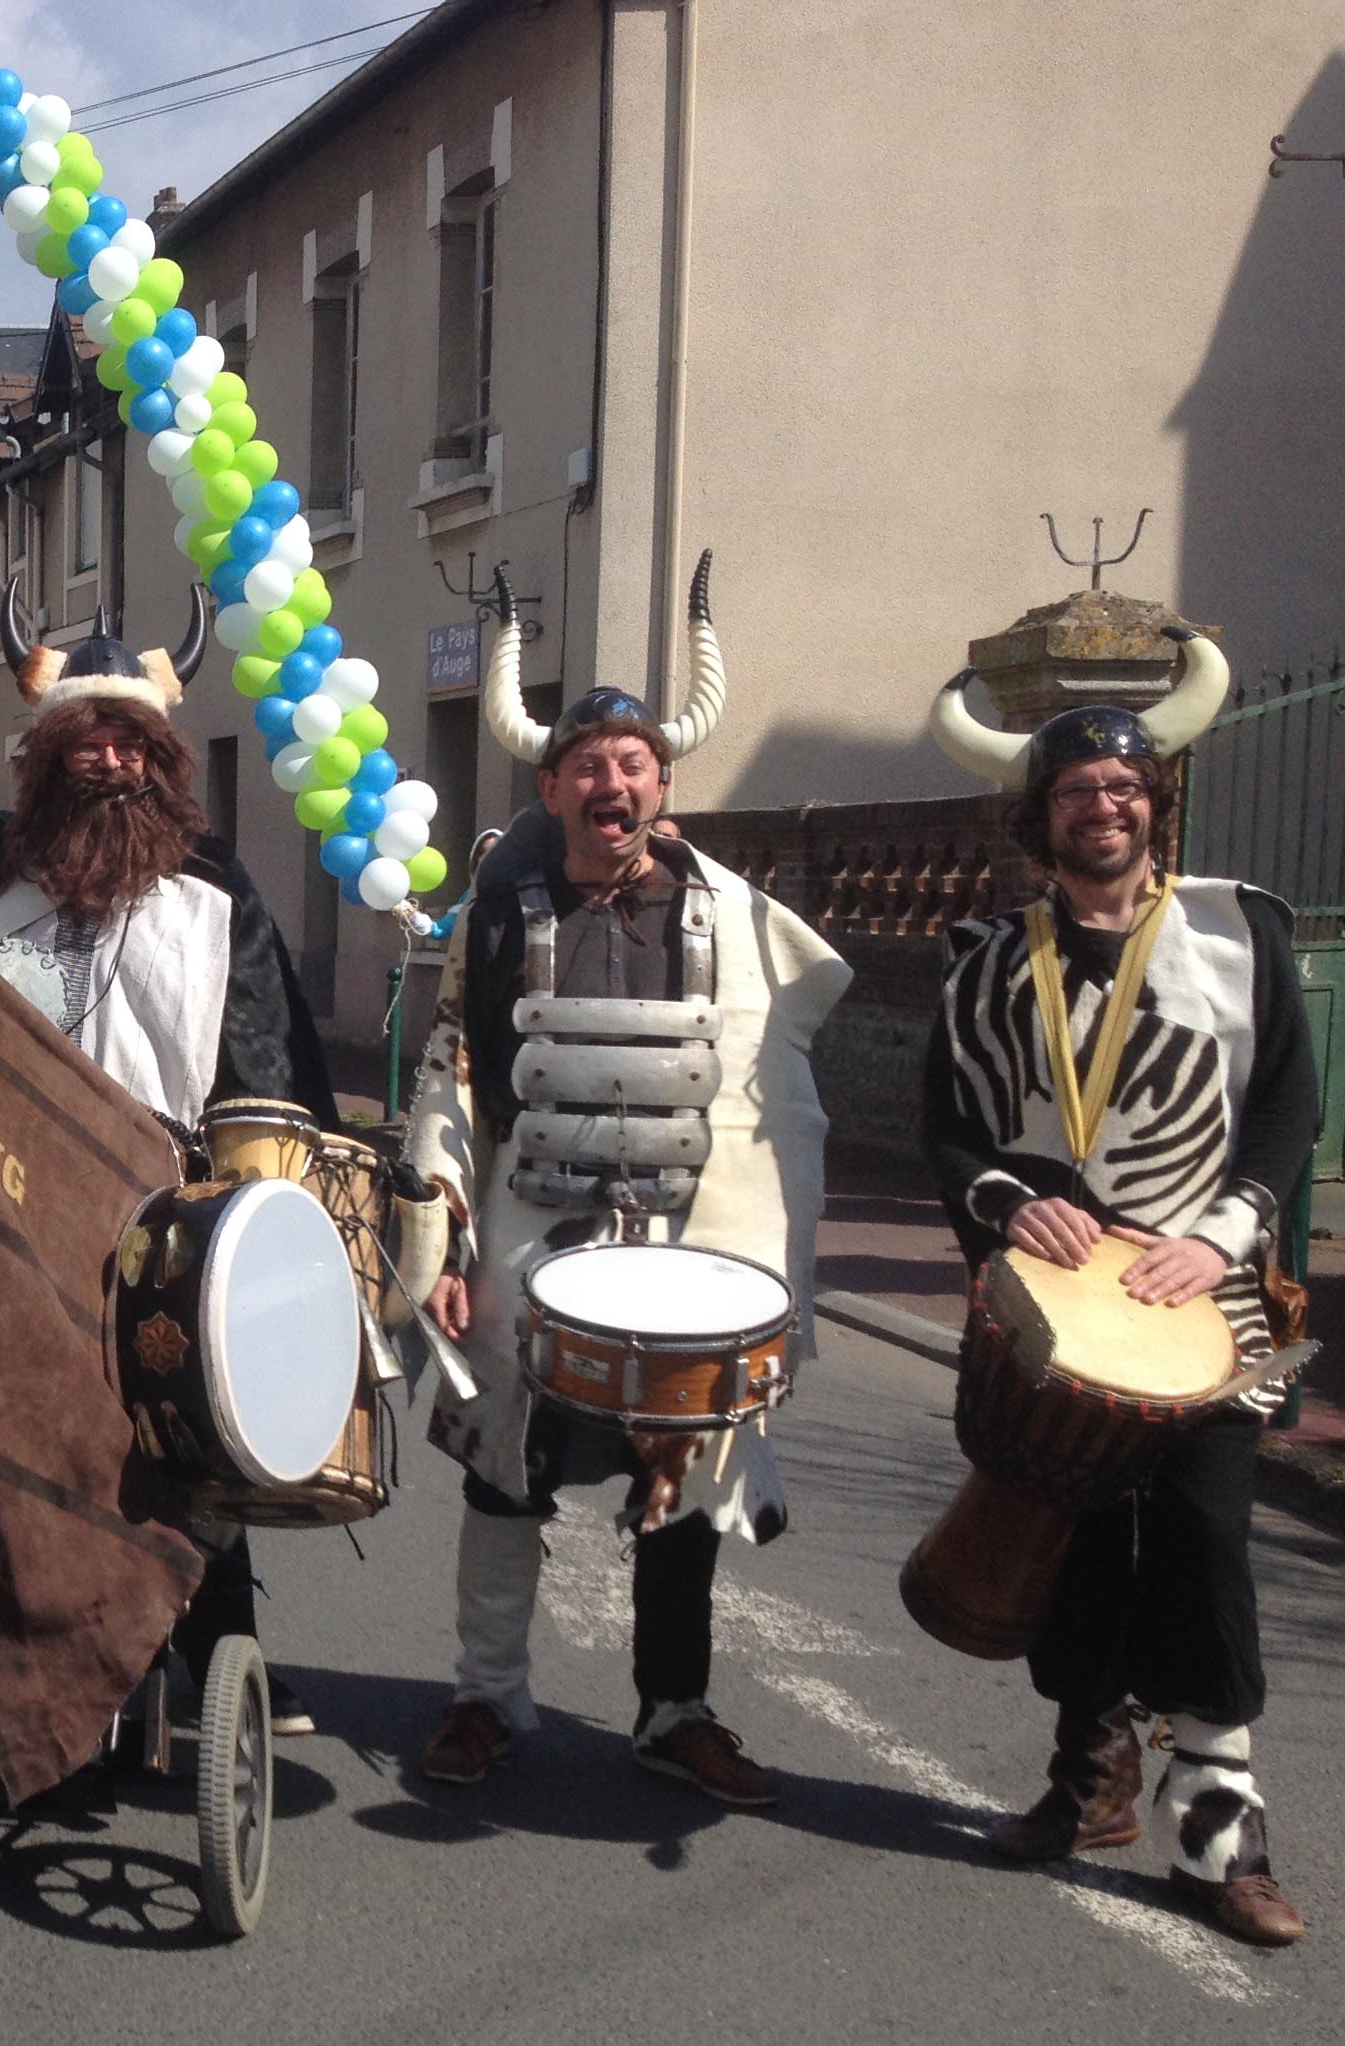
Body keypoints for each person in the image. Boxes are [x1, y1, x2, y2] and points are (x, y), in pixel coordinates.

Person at [404, 559, 851, 1804]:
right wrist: (446, 1249)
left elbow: (779, 1108)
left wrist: (772, 1276)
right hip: (532, 1230)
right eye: (588, 765)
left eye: (634, 763)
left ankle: (675, 1710)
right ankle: (485, 1700)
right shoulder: (499, 920)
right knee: (507, 1473)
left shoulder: (739, 921)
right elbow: (454, 1076)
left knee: (689, 1478)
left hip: (690, 1241)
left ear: (664, 782)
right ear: (550, 787)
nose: (614, 782)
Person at [921, 631, 1314, 1946]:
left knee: (1203, 1545)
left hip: (1208, 1295)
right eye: (1078, 790)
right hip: (1058, 1305)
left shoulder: (1236, 929)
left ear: (1157, 804)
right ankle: (1084, 1784)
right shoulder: (988, 957)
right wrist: (997, 1202)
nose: (1105, 805)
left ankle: (1220, 1840)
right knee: (1073, 1544)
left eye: (1126, 787)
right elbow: (951, 1131)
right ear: (1042, 817)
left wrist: (1223, 1232)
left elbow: (1287, 1114)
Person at [0, 584, 331, 1738]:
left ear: (158, 758)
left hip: (169, 1218)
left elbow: (263, 1057)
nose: (107, 760)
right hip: (16, 1213)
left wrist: (249, 1219)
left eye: (128, 741)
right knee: (22, 1436)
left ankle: (227, 1663)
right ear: (50, 756)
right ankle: (41, 1656)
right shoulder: (0, 886)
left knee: (189, 1446)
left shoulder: (215, 893)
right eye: (85, 740)